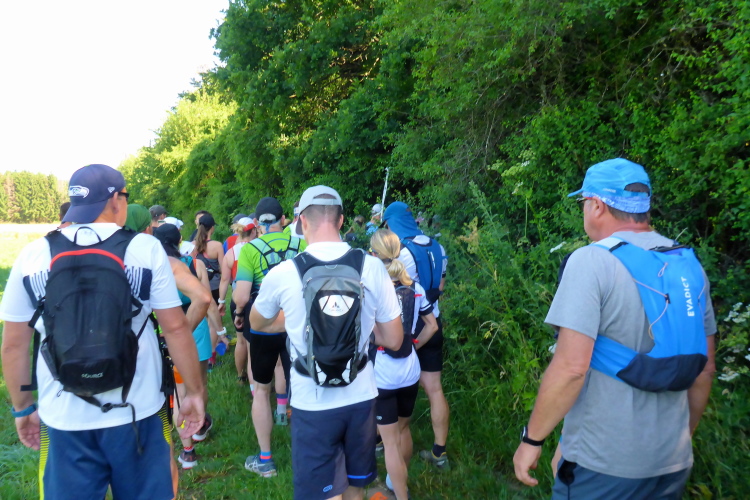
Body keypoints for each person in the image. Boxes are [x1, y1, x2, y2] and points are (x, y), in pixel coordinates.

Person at [512, 158, 717, 499]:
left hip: (604, 463)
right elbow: (705, 369)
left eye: (584, 202)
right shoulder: (686, 264)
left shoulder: (592, 261)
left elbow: (571, 368)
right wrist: (683, 437)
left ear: (597, 205)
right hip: (672, 462)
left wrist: (532, 440)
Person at [0, 164, 205, 500]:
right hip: (139, 410)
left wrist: (23, 408)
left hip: (64, 417)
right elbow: (175, 327)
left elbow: (13, 345)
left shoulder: (33, 255)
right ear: (115, 200)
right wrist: (194, 393)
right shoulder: (145, 249)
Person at [250, 185, 403, 500]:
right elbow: (394, 339)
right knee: (355, 488)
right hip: (361, 395)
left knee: (323, 493)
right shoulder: (372, 266)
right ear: (342, 220)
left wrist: (295, 322)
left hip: (312, 400)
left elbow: (257, 323)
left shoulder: (283, 273)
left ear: (302, 221)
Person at [233, 197, 307, 477]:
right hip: (295, 322)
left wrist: (239, 313)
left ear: (257, 223)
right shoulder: (301, 245)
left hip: (262, 324)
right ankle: (306, 456)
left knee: (262, 390)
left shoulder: (250, 250)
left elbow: (241, 296)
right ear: (284, 219)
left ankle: (265, 459)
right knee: (300, 387)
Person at [369, 229, 438, 500]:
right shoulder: (415, 287)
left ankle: (400, 494)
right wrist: (412, 346)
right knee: (403, 428)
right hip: (410, 369)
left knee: (389, 443)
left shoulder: (373, 290)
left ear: (375, 255)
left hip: (384, 372)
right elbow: (432, 325)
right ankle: (397, 479)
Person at [382, 201, 450, 470]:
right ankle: (439, 451)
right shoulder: (437, 245)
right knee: (434, 389)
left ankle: (387, 440)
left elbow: (395, 290)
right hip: (434, 320)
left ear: (393, 223)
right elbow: (440, 286)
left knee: (392, 387)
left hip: (407, 327)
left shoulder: (402, 252)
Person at [154, 223, 224, 469]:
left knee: (178, 392)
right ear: (179, 240)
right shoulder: (195, 264)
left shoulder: (154, 267)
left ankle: (188, 452)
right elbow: (208, 301)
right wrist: (220, 331)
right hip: (197, 328)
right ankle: (199, 427)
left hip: (167, 328)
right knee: (199, 384)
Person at [218, 220, 259, 384]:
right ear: (253, 231)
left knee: (240, 340)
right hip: (255, 297)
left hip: (237, 298)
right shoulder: (258, 248)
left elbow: (224, 280)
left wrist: (221, 301)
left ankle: (241, 376)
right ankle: (257, 383)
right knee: (254, 342)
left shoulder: (231, 253)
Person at [191, 213, 224, 303]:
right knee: (215, 310)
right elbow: (223, 269)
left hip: (198, 285)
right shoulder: (217, 245)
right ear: (212, 227)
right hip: (214, 285)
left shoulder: (192, 245)